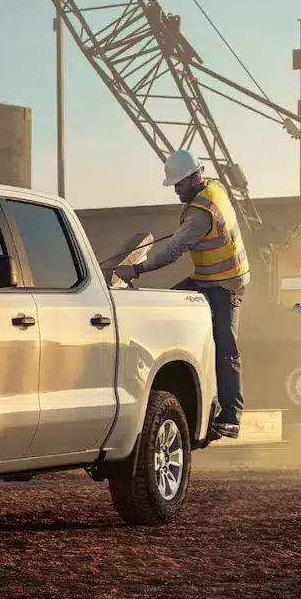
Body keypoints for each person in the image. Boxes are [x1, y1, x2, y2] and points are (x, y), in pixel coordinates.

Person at [114, 149, 248, 440]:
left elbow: (173, 250)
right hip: (207, 278)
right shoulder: (214, 189)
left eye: (179, 184)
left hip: (225, 284)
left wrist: (136, 270)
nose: (176, 189)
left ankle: (231, 415)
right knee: (170, 312)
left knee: (226, 347)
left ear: (195, 176)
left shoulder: (201, 214)